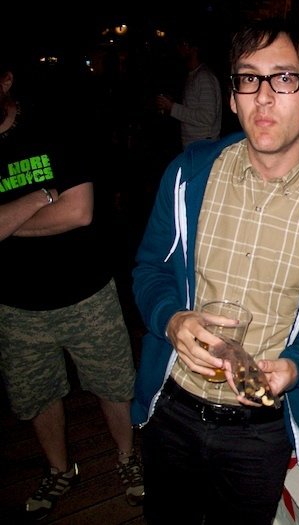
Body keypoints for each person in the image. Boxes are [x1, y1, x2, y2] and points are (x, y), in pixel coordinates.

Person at [131, 17, 299, 525]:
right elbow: (149, 268)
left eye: (284, 78)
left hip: (260, 429)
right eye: (248, 78)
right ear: (232, 96)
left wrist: (296, 367)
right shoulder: (189, 173)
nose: (263, 96)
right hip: (173, 408)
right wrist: (171, 319)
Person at [0, 54, 144, 520]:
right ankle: (60, 469)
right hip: (14, 305)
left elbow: (79, 212)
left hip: (87, 293)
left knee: (114, 385)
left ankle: (127, 458)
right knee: (37, 395)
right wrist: (41, 196)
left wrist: (7, 220)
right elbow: (59, 207)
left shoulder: (55, 125)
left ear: (5, 80)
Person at [155, 30, 223, 149]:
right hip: (194, 147)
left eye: (184, 44)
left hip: (203, 147)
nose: (180, 48)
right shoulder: (192, 75)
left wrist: (172, 107)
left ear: (194, 49)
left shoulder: (204, 77)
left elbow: (207, 117)